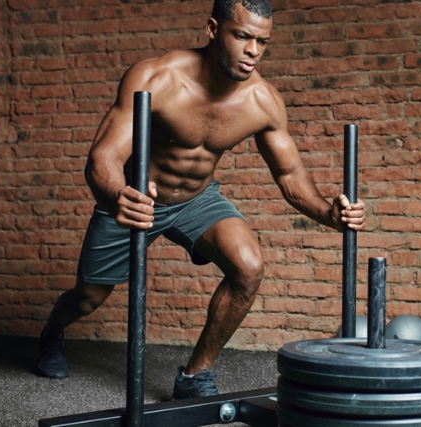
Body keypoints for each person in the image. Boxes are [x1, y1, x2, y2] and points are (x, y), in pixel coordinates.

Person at [36, 0, 366, 400]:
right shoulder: (156, 77)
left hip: (197, 199)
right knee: (87, 299)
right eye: (242, 36)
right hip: (137, 197)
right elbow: (103, 156)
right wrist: (116, 194)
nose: (253, 51)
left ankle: (195, 374)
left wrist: (328, 212)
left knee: (249, 266)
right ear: (213, 29)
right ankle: (52, 334)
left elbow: (289, 175)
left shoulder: (262, 101)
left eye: (262, 41)